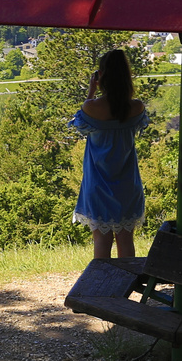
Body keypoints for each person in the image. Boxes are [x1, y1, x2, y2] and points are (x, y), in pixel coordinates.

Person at [69, 49, 149, 260]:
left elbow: (79, 124)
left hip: (97, 185)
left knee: (101, 241)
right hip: (128, 185)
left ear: (101, 75)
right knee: (126, 241)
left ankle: (101, 289)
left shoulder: (92, 108)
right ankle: (126, 285)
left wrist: (91, 90)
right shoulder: (136, 107)